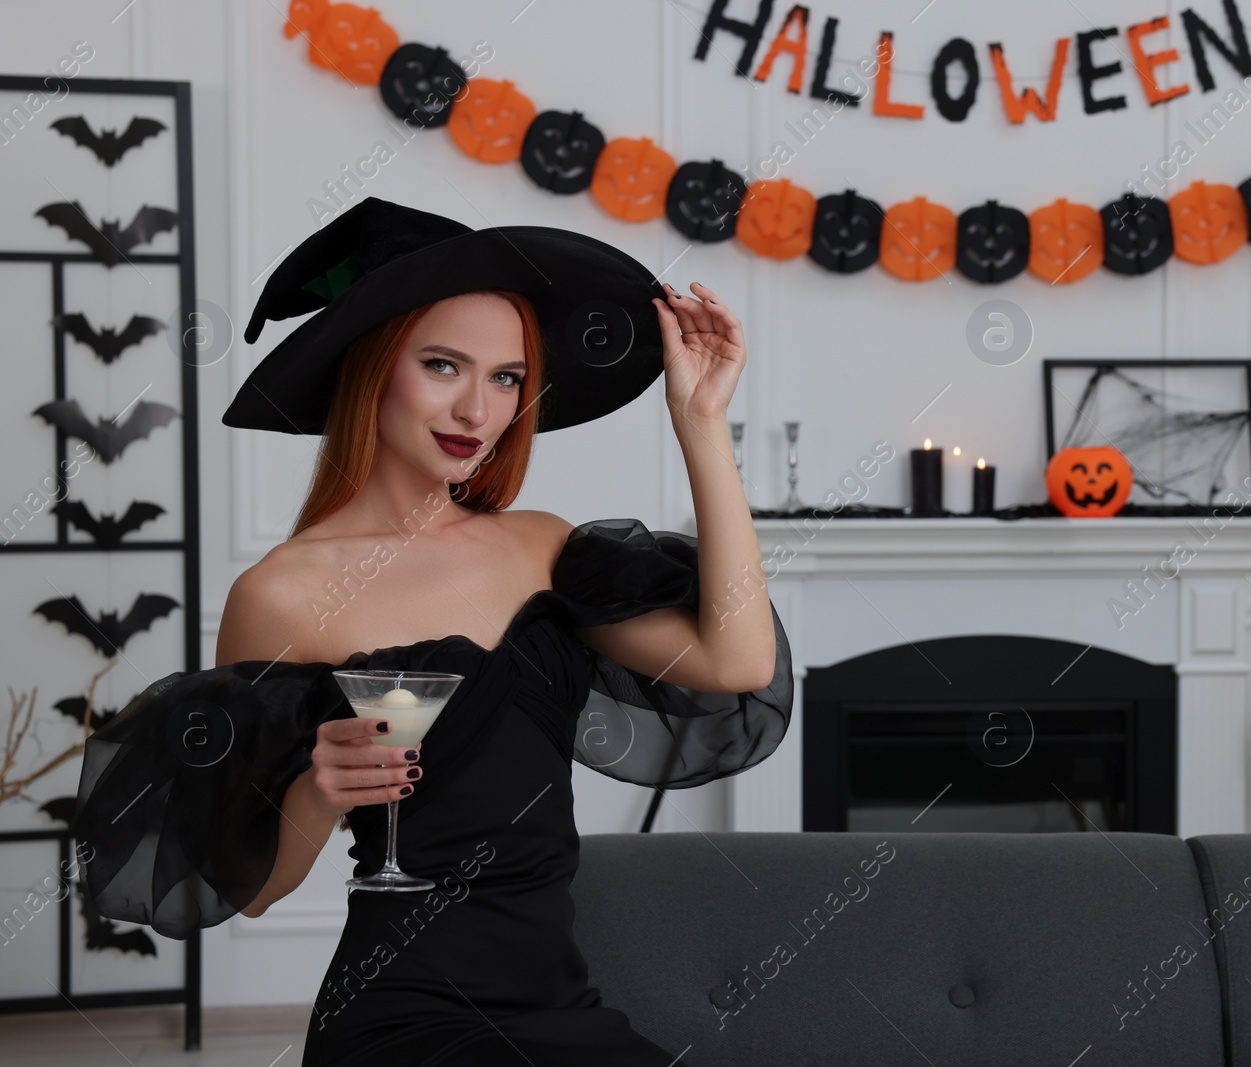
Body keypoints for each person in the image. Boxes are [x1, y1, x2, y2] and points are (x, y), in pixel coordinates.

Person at [72, 197, 792, 1066]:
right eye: (444, 365)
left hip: (559, 1006)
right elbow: (255, 887)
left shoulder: (541, 547)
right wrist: (318, 790)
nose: (477, 410)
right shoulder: (281, 593)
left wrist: (702, 425)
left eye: (506, 377)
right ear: (372, 368)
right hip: (404, 1015)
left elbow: (738, 657)